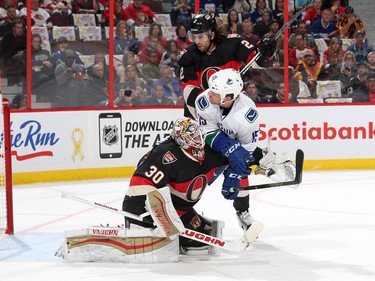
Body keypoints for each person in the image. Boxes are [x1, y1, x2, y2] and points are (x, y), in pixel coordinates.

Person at [195, 68, 296, 231]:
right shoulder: (204, 100)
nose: (208, 94)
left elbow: (245, 149)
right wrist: (228, 148)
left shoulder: (246, 114)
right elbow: (208, 131)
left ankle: (243, 211)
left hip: (240, 145)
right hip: (213, 144)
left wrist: (234, 171)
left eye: (214, 92)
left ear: (228, 97)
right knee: (202, 176)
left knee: (241, 169)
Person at [122, 117, 228, 254]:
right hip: (143, 206)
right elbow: (141, 183)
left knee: (203, 234)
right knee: (153, 231)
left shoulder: (201, 152)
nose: (198, 139)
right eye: (193, 136)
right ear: (181, 137)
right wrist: (140, 210)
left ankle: (178, 233)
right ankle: (138, 226)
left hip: (176, 208)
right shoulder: (167, 152)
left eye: (198, 135)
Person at [178, 12, 276, 119]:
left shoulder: (232, 44)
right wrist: (216, 101)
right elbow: (189, 92)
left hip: (232, 104)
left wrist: (265, 52)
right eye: (193, 37)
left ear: (212, 34)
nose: (196, 41)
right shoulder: (189, 56)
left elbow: (258, 62)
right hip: (203, 110)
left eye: (200, 37)